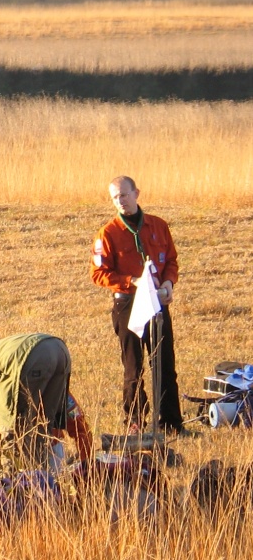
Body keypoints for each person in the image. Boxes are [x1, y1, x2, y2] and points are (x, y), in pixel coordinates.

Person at [0, 333, 94, 496]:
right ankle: (46, 496)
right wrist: (89, 468)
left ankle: (16, 497)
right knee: (38, 429)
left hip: (27, 357)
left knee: (11, 435)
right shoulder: (0, 380)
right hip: (59, 352)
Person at [91, 176, 183, 432]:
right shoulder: (107, 233)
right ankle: (135, 423)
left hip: (157, 303)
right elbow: (98, 274)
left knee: (164, 364)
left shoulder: (158, 226)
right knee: (133, 368)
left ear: (136, 193)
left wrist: (168, 284)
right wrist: (132, 281)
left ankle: (171, 423)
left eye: (124, 195)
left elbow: (172, 261)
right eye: (115, 198)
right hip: (128, 305)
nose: (120, 201)